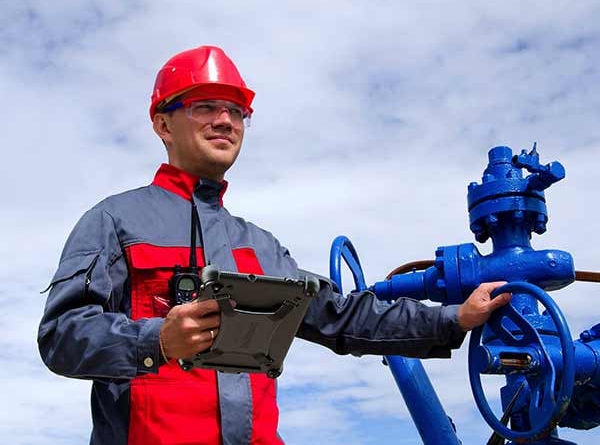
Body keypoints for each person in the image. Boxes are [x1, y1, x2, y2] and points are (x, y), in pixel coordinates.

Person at [38, 45, 511, 445]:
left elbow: (343, 317)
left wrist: (454, 319)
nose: (225, 120)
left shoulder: (261, 247)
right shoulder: (114, 221)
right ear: (163, 125)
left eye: (236, 110)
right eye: (205, 106)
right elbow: (61, 337)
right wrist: (157, 341)